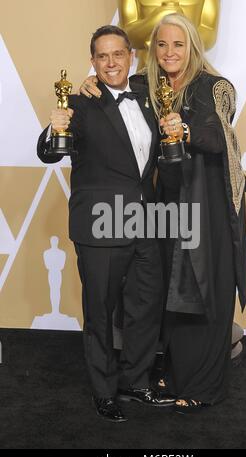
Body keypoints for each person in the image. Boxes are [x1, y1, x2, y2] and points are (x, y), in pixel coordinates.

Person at [79, 14, 246, 414]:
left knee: (205, 288)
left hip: (207, 202)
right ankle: (170, 374)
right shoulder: (144, 87)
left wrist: (186, 129)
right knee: (167, 292)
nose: (169, 52)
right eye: (161, 45)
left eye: (178, 44)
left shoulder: (216, 87)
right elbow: (111, 91)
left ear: (193, 46)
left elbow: (220, 134)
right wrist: (90, 85)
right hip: (162, 204)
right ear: (151, 50)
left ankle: (204, 384)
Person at [37, 25, 175, 423]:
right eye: (102, 56)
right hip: (99, 224)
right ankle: (103, 390)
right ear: (92, 62)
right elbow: (49, 152)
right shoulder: (80, 104)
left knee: (146, 307)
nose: (111, 63)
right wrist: (54, 125)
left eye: (118, 54)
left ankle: (136, 380)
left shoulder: (149, 97)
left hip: (146, 220)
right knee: (100, 312)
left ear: (130, 56)